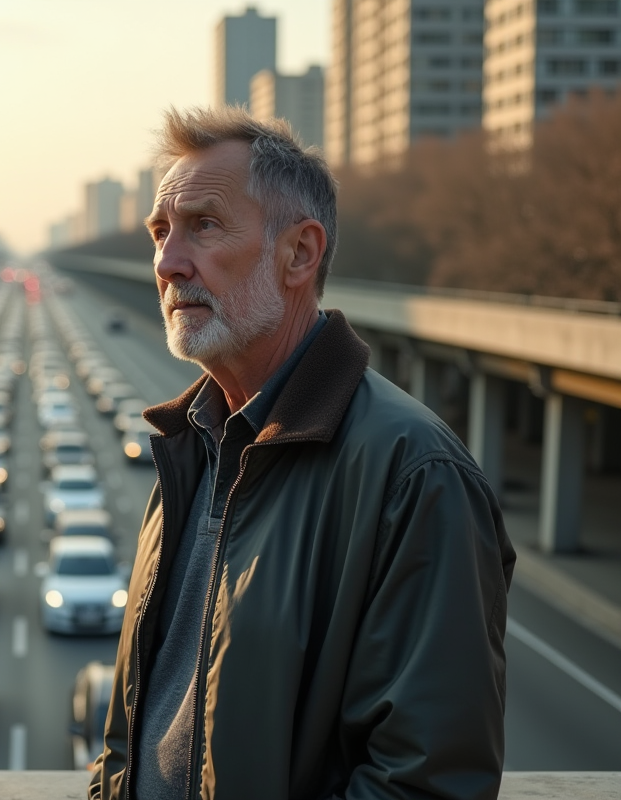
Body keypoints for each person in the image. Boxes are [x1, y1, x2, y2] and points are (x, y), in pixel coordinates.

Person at [89, 106, 515, 800]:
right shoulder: (190, 443)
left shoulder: (415, 474)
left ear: (300, 254)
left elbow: (424, 784)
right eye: (161, 232)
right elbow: (134, 725)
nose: (167, 263)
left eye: (204, 225)